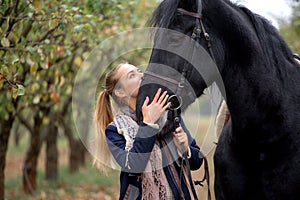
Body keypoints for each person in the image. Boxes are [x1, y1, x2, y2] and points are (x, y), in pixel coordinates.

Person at [94, 63, 203, 200]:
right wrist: (148, 124)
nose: (142, 75)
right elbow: (135, 165)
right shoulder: (115, 130)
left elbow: (197, 162)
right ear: (120, 92)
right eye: (132, 75)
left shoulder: (169, 113)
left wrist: (186, 147)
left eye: (139, 71)